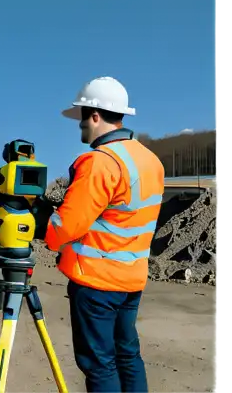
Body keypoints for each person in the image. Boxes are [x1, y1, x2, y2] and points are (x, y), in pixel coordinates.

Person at [45, 77, 164, 393]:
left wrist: (46, 224)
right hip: (131, 279)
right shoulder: (150, 161)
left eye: (82, 117)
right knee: (128, 357)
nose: (80, 125)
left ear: (95, 115)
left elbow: (66, 227)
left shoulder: (100, 162)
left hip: (97, 282)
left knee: (99, 366)